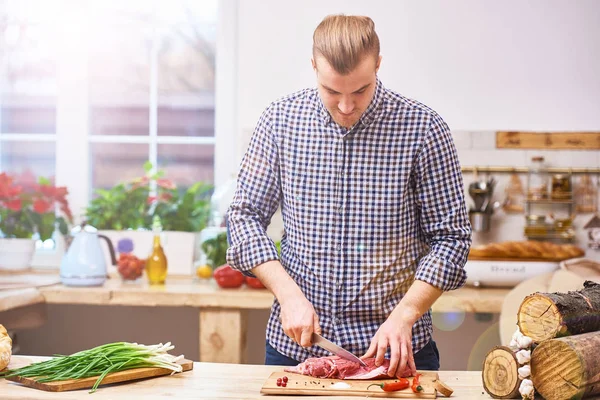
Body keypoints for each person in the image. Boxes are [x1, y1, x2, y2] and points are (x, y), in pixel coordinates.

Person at [226, 14, 471, 376]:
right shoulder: (279, 122)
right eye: (331, 91)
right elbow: (243, 217)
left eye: (360, 90)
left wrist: (404, 315)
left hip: (396, 352)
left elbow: (451, 239)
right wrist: (288, 295)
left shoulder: (423, 129)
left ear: (378, 65)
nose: (345, 106)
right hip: (297, 347)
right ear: (313, 67)